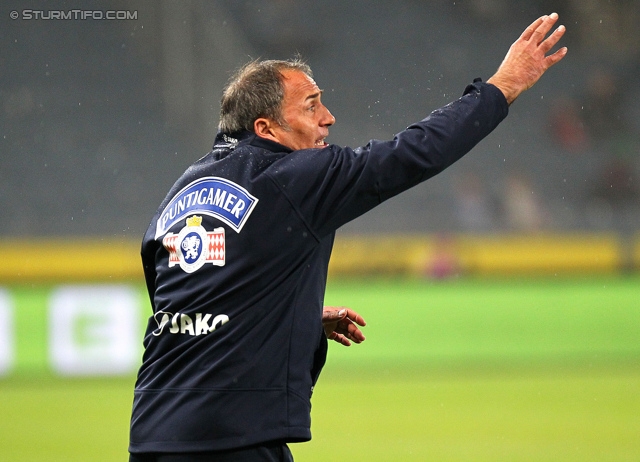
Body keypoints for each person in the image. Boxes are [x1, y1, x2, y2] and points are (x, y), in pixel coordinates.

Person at [129, 13, 567, 461]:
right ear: (266, 129)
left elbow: (180, 297)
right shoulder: (294, 175)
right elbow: (411, 155)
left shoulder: (184, 187)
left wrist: (280, 317)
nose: (329, 118)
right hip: (231, 439)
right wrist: (503, 87)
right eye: (311, 105)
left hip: (154, 432)